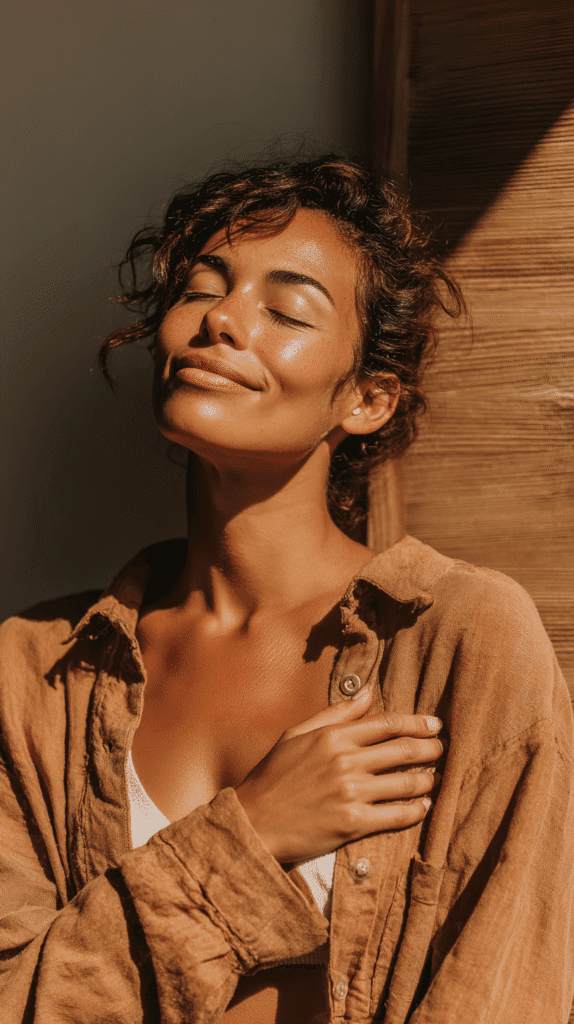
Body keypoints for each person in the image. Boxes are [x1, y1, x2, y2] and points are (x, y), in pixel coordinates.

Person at [0, 156, 572, 1024]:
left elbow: (504, 990)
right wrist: (252, 835)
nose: (223, 320)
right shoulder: (32, 675)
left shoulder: (464, 639)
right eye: (202, 289)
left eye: (287, 309)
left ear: (370, 399)